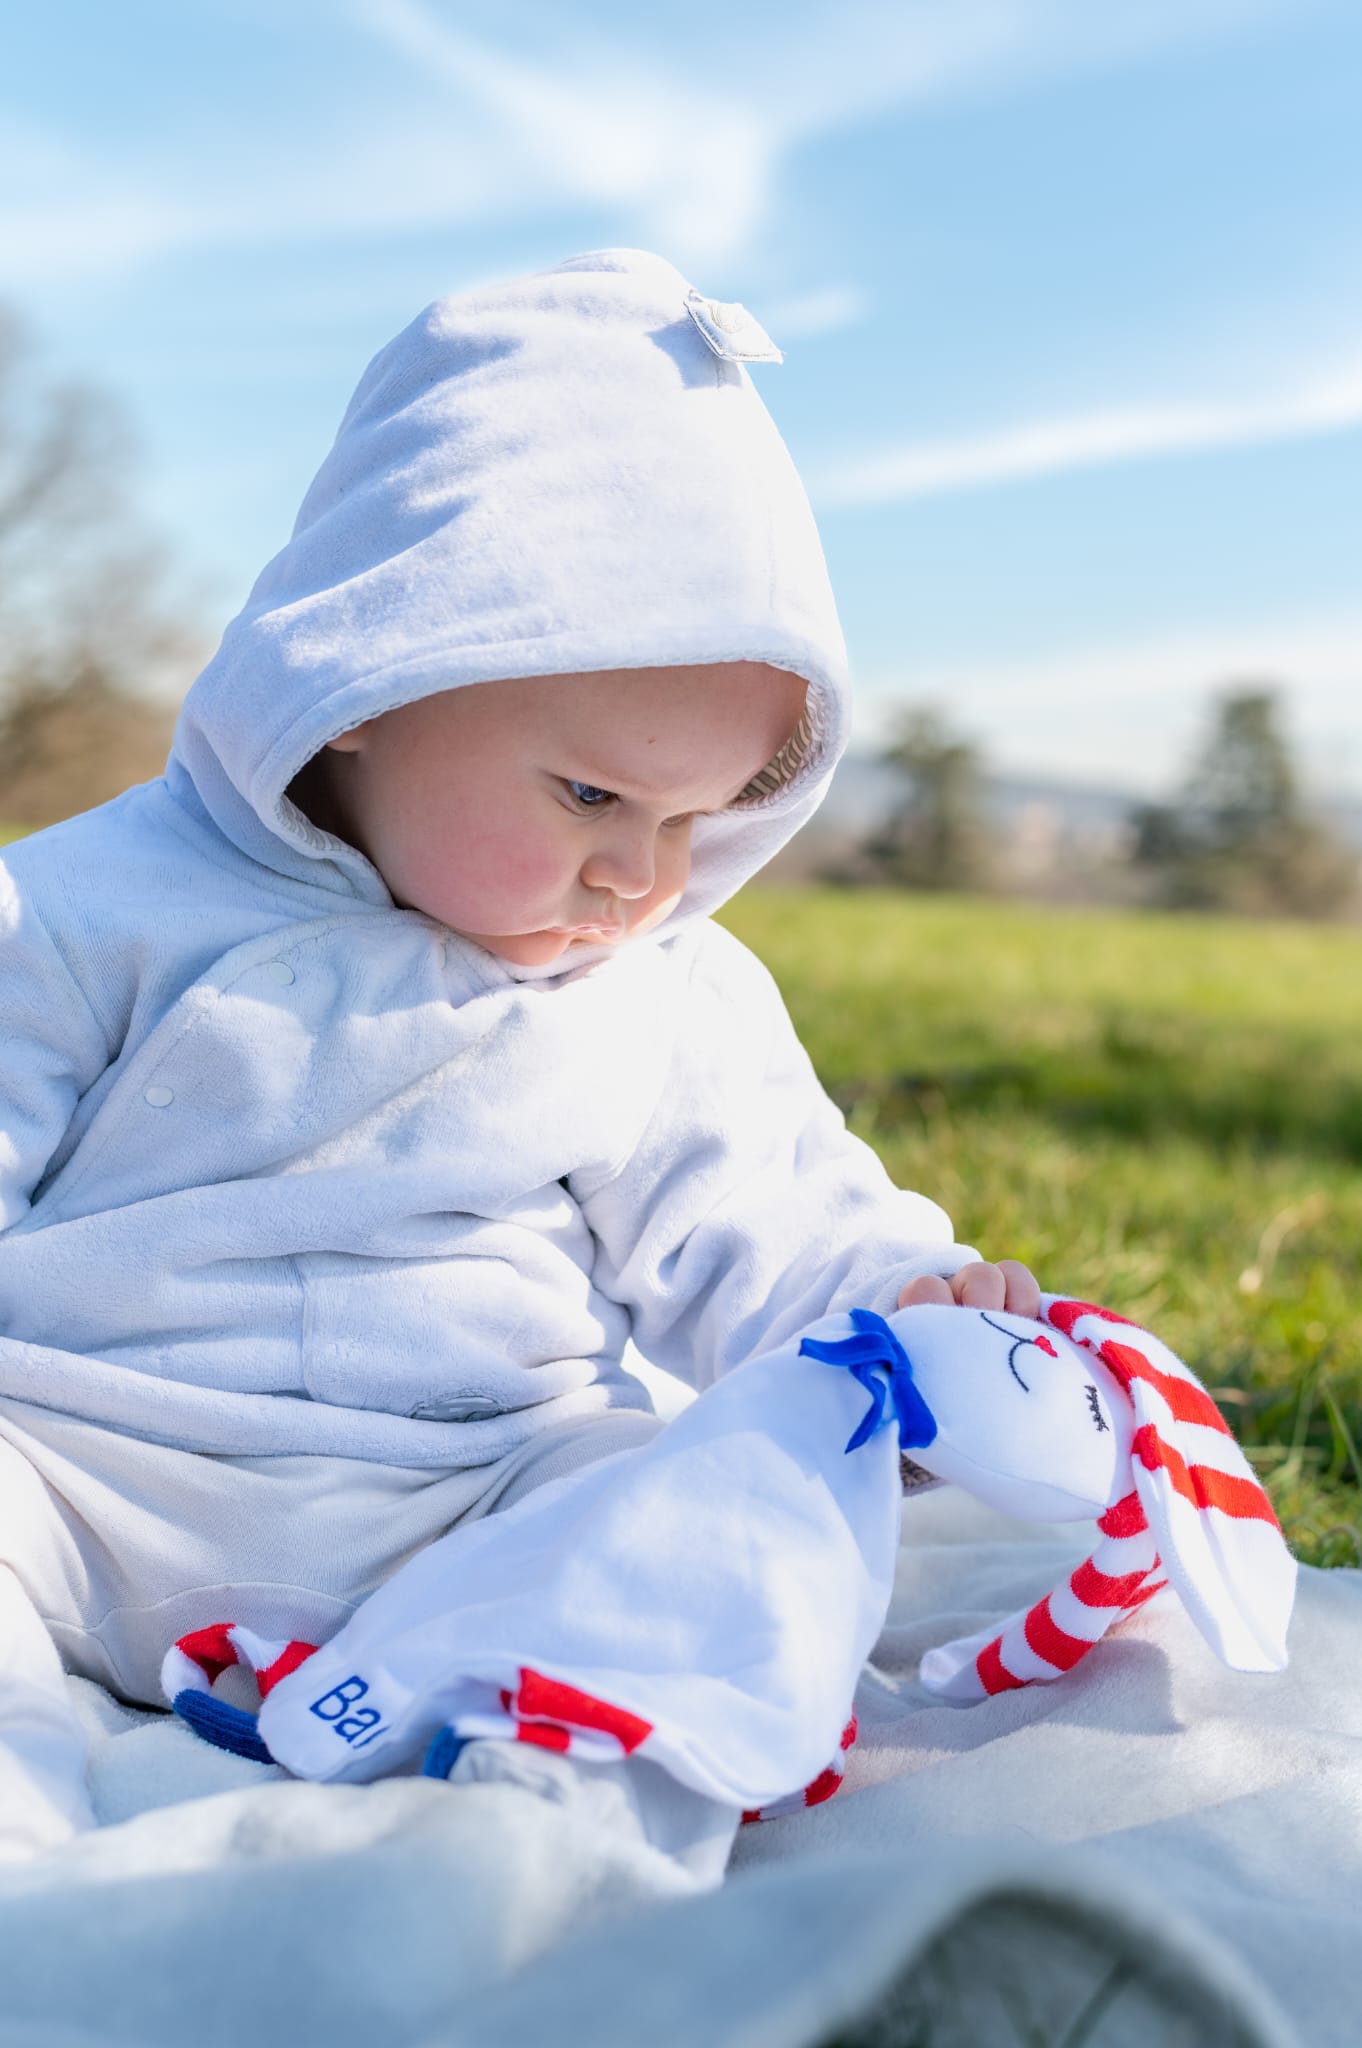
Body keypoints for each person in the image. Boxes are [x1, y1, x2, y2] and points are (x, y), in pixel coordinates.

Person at [0, 249, 1037, 1876]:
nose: (643, 877)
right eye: (588, 799)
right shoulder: (78, 910)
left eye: (700, 820)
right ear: (361, 685)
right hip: (76, 1479)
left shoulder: (663, 990)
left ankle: (547, 1819)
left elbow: (762, 1210)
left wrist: (906, 1312)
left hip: (471, 1503)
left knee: (724, 1502)